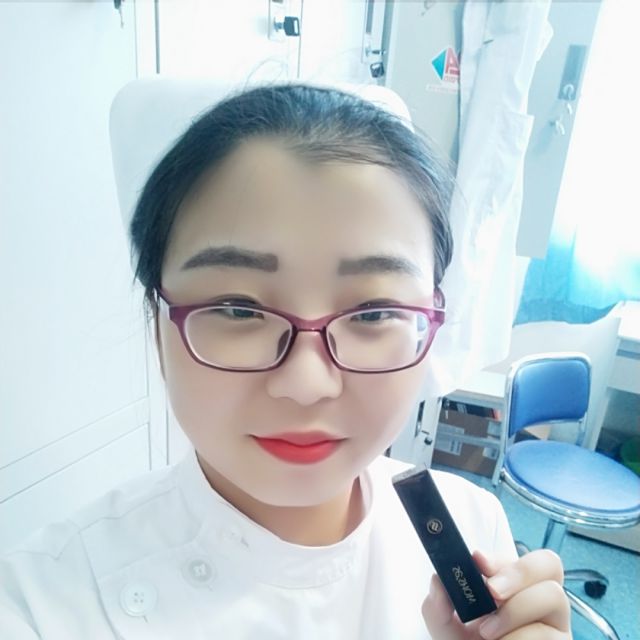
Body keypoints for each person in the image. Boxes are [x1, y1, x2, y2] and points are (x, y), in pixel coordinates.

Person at [0, 83, 570, 639]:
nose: (306, 383)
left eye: (373, 312)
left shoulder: (469, 528)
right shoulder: (41, 603)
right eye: (237, 309)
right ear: (158, 324)